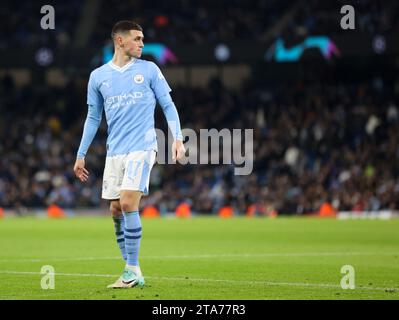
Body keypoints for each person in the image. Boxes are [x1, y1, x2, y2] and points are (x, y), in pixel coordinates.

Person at [73, 21, 185, 288]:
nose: (142, 44)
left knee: (126, 203)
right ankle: (132, 269)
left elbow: (168, 105)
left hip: (143, 146)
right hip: (115, 151)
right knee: (114, 209)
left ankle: (131, 270)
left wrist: (178, 138)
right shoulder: (98, 76)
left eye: (143, 39)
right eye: (137, 39)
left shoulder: (149, 70)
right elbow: (92, 117)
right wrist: (81, 154)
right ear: (120, 41)